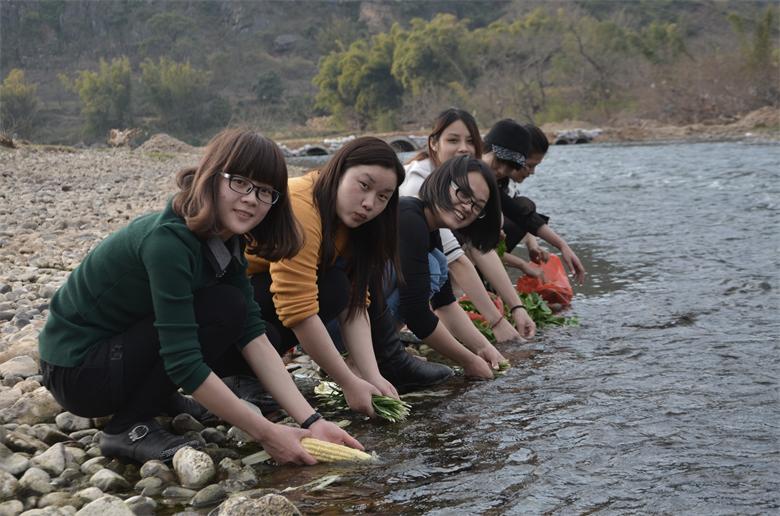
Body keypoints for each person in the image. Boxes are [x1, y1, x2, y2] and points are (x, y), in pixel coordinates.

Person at [38, 129, 360, 465]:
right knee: (222, 307)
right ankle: (128, 428)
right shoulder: (168, 242)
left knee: (234, 308)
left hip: (112, 353)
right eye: (239, 182)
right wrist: (267, 434)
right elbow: (183, 360)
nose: (252, 198)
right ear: (210, 178)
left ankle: (156, 400)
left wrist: (312, 422)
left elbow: (252, 333)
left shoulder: (225, 239)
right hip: (76, 371)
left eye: (265, 191)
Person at [248, 137, 453, 411]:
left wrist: (371, 376)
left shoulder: (353, 224)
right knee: (330, 287)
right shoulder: (302, 207)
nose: (370, 204)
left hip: (262, 310)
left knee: (339, 287)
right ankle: (242, 376)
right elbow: (297, 309)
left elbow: (356, 303)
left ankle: (256, 371)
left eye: (383, 197)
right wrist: (347, 382)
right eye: (364, 186)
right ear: (339, 171)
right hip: (224, 309)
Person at [401, 108, 536, 342]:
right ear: (433, 143)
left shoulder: (467, 179)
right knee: (437, 265)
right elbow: (457, 261)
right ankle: (399, 328)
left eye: (471, 141)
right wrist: (496, 322)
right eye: (453, 140)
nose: (463, 148)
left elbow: (480, 246)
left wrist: (516, 307)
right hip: (382, 279)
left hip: (423, 272)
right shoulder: (418, 183)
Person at [391, 155, 508, 379]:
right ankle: (383, 353)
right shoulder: (409, 217)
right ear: (442, 181)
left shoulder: (430, 229)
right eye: (464, 194)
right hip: (338, 319)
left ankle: (384, 349)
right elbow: (415, 313)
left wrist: (484, 349)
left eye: (477, 206)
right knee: (435, 266)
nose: (467, 207)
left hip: (360, 319)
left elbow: (445, 303)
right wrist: (468, 360)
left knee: (438, 263)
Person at [482, 120, 586, 284]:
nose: (501, 171)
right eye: (528, 166)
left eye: (508, 167)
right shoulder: (472, 176)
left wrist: (559, 245)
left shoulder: (498, 183)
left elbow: (522, 215)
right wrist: (523, 265)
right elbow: (470, 247)